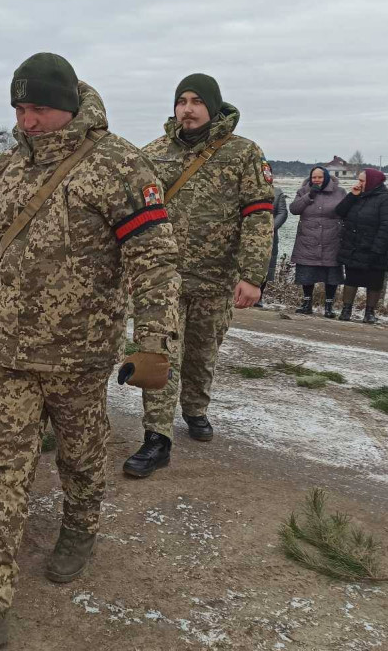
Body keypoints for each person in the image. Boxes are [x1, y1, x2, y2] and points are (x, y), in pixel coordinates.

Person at [0, 53, 180, 648]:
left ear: (68, 103)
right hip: (9, 353)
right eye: (19, 108)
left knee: (79, 454)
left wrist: (154, 344)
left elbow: (155, 259)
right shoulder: (9, 167)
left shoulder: (119, 164)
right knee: (3, 470)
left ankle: (80, 526)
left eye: (38, 107)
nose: (27, 120)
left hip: (79, 354)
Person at [126, 74, 274, 478]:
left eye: (196, 101)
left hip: (215, 279)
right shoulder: (153, 153)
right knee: (159, 355)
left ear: (212, 106)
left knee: (202, 352)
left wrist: (252, 275)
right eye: (181, 101)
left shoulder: (243, 154)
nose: (187, 109)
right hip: (162, 279)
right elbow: (130, 216)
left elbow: (259, 217)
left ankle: (195, 408)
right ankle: (156, 437)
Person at [334, 169, 388, 323]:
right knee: (351, 279)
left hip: (375, 248)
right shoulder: (358, 196)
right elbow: (340, 212)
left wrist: (377, 249)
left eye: (362, 181)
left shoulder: (385, 200)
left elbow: (387, 226)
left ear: (372, 182)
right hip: (354, 246)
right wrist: (352, 196)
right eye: (359, 180)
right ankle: (346, 309)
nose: (359, 183)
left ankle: (370, 312)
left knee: (374, 282)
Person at [289, 166, 346, 317]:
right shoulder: (303, 191)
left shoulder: (339, 192)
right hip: (308, 238)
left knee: (331, 273)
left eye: (320, 177)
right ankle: (306, 304)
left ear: (326, 177)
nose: (317, 180)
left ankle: (329, 306)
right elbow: (294, 209)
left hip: (332, 238)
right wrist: (309, 195)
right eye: (314, 177)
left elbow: (346, 210)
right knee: (307, 271)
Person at [257, 186, 287, 306]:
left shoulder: (277, 193)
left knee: (266, 265)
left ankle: (259, 296)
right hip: (245, 233)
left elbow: (282, 212)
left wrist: (271, 228)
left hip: (269, 236)